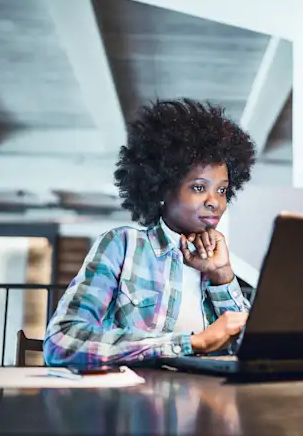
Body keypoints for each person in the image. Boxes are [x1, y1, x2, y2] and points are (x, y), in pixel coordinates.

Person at [43, 99, 256, 367]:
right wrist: (193, 342)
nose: (215, 201)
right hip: (135, 401)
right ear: (163, 189)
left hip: (208, 402)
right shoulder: (122, 245)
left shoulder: (215, 261)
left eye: (222, 190)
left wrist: (222, 275)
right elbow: (62, 341)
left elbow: (254, 350)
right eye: (199, 188)